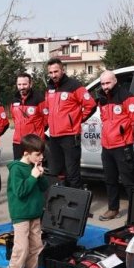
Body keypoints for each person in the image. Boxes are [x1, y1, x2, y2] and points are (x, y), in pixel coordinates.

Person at [93, 70, 134, 221]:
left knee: (129, 181)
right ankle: (112, 209)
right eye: (102, 83)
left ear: (115, 81)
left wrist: (127, 138)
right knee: (110, 180)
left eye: (108, 83)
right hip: (107, 147)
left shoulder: (127, 97)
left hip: (123, 146)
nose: (105, 86)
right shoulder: (102, 99)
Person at [5, 134, 50, 268]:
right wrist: (32, 177)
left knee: (36, 245)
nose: (41, 157)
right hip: (21, 214)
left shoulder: (34, 167)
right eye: (37, 154)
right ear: (26, 153)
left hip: (35, 213)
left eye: (42, 154)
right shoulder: (17, 169)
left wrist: (40, 174)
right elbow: (20, 192)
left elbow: (44, 187)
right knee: (22, 246)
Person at [44, 58, 97, 189]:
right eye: (50, 72)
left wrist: (77, 120)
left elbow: (91, 105)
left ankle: (76, 205)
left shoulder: (74, 85)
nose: (53, 75)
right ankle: (63, 202)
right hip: (54, 136)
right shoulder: (49, 87)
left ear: (63, 70)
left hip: (70, 136)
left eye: (56, 71)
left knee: (72, 173)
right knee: (58, 172)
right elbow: (48, 109)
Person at [10, 72, 48, 160]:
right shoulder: (14, 99)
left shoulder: (39, 99)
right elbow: (14, 118)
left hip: (34, 142)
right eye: (19, 84)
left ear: (30, 84)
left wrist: (37, 132)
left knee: (34, 170)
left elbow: (46, 118)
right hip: (18, 141)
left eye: (24, 84)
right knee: (19, 168)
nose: (21, 87)